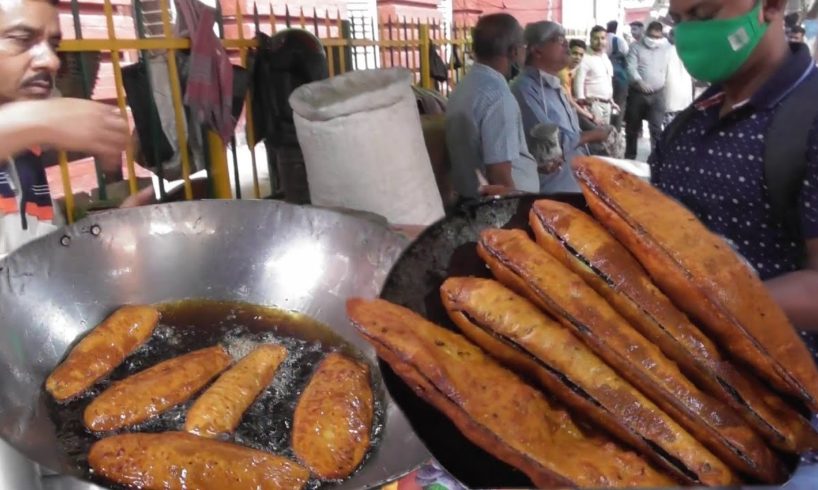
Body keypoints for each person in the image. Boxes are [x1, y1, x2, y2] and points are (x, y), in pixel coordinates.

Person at [653, 0, 818, 334]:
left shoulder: (809, 120)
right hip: (679, 369)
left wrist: (708, 304)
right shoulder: (690, 120)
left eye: (704, 15)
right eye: (678, 20)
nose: (687, 33)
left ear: (770, 6)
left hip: (779, 377)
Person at [0, 0, 128, 255]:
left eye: (53, 45)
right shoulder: (28, 127)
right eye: (22, 39)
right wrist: (32, 121)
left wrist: (106, 235)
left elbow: (32, 263)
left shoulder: (25, 151)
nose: (52, 61)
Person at [445, 13, 539, 199]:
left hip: (470, 197)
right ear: (513, 51)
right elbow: (500, 177)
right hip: (498, 206)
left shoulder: (464, 86)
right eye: (523, 46)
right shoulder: (498, 97)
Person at [510, 21, 610, 194]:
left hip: (575, 183)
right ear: (537, 49)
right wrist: (592, 135)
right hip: (554, 191)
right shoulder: (524, 89)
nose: (566, 44)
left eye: (565, 39)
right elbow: (549, 145)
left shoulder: (554, 85)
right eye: (558, 39)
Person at [625, 21, 672, 159]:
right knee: (632, 129)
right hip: (637, 94)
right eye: (651, 36)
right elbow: (630, 67)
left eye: (657, 37)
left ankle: (656, 159)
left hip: (658, 94)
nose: (654, 40)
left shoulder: (666, 48)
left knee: (656, 129)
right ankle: (630, 157)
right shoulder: (635, 47)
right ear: (646, 33)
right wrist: (639, 81)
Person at [574, 25, 616, 126]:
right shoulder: (585, 58)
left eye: (602, 38)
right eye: (596, 38)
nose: (600, 41)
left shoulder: (605, 57)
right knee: (597, 137)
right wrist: (583, 105)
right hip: (593, 105)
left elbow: (607, 81)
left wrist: (612, 101)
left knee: (605, 137)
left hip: (607, 104)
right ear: (590, 39)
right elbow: (578, 83)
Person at [663, 28, 694, 125]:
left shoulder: (665, 51)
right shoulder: (688, 51)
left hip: (670, 90)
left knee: (669, 122)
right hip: (685, 91)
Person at [607, 20, 630, 131]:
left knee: (608, 103)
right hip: (619, 79)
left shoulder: (603, 39)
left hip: (606, 78)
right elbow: (627, 56)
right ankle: (616, 128)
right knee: (619, 103)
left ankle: (608, 126)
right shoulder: (619, 40)